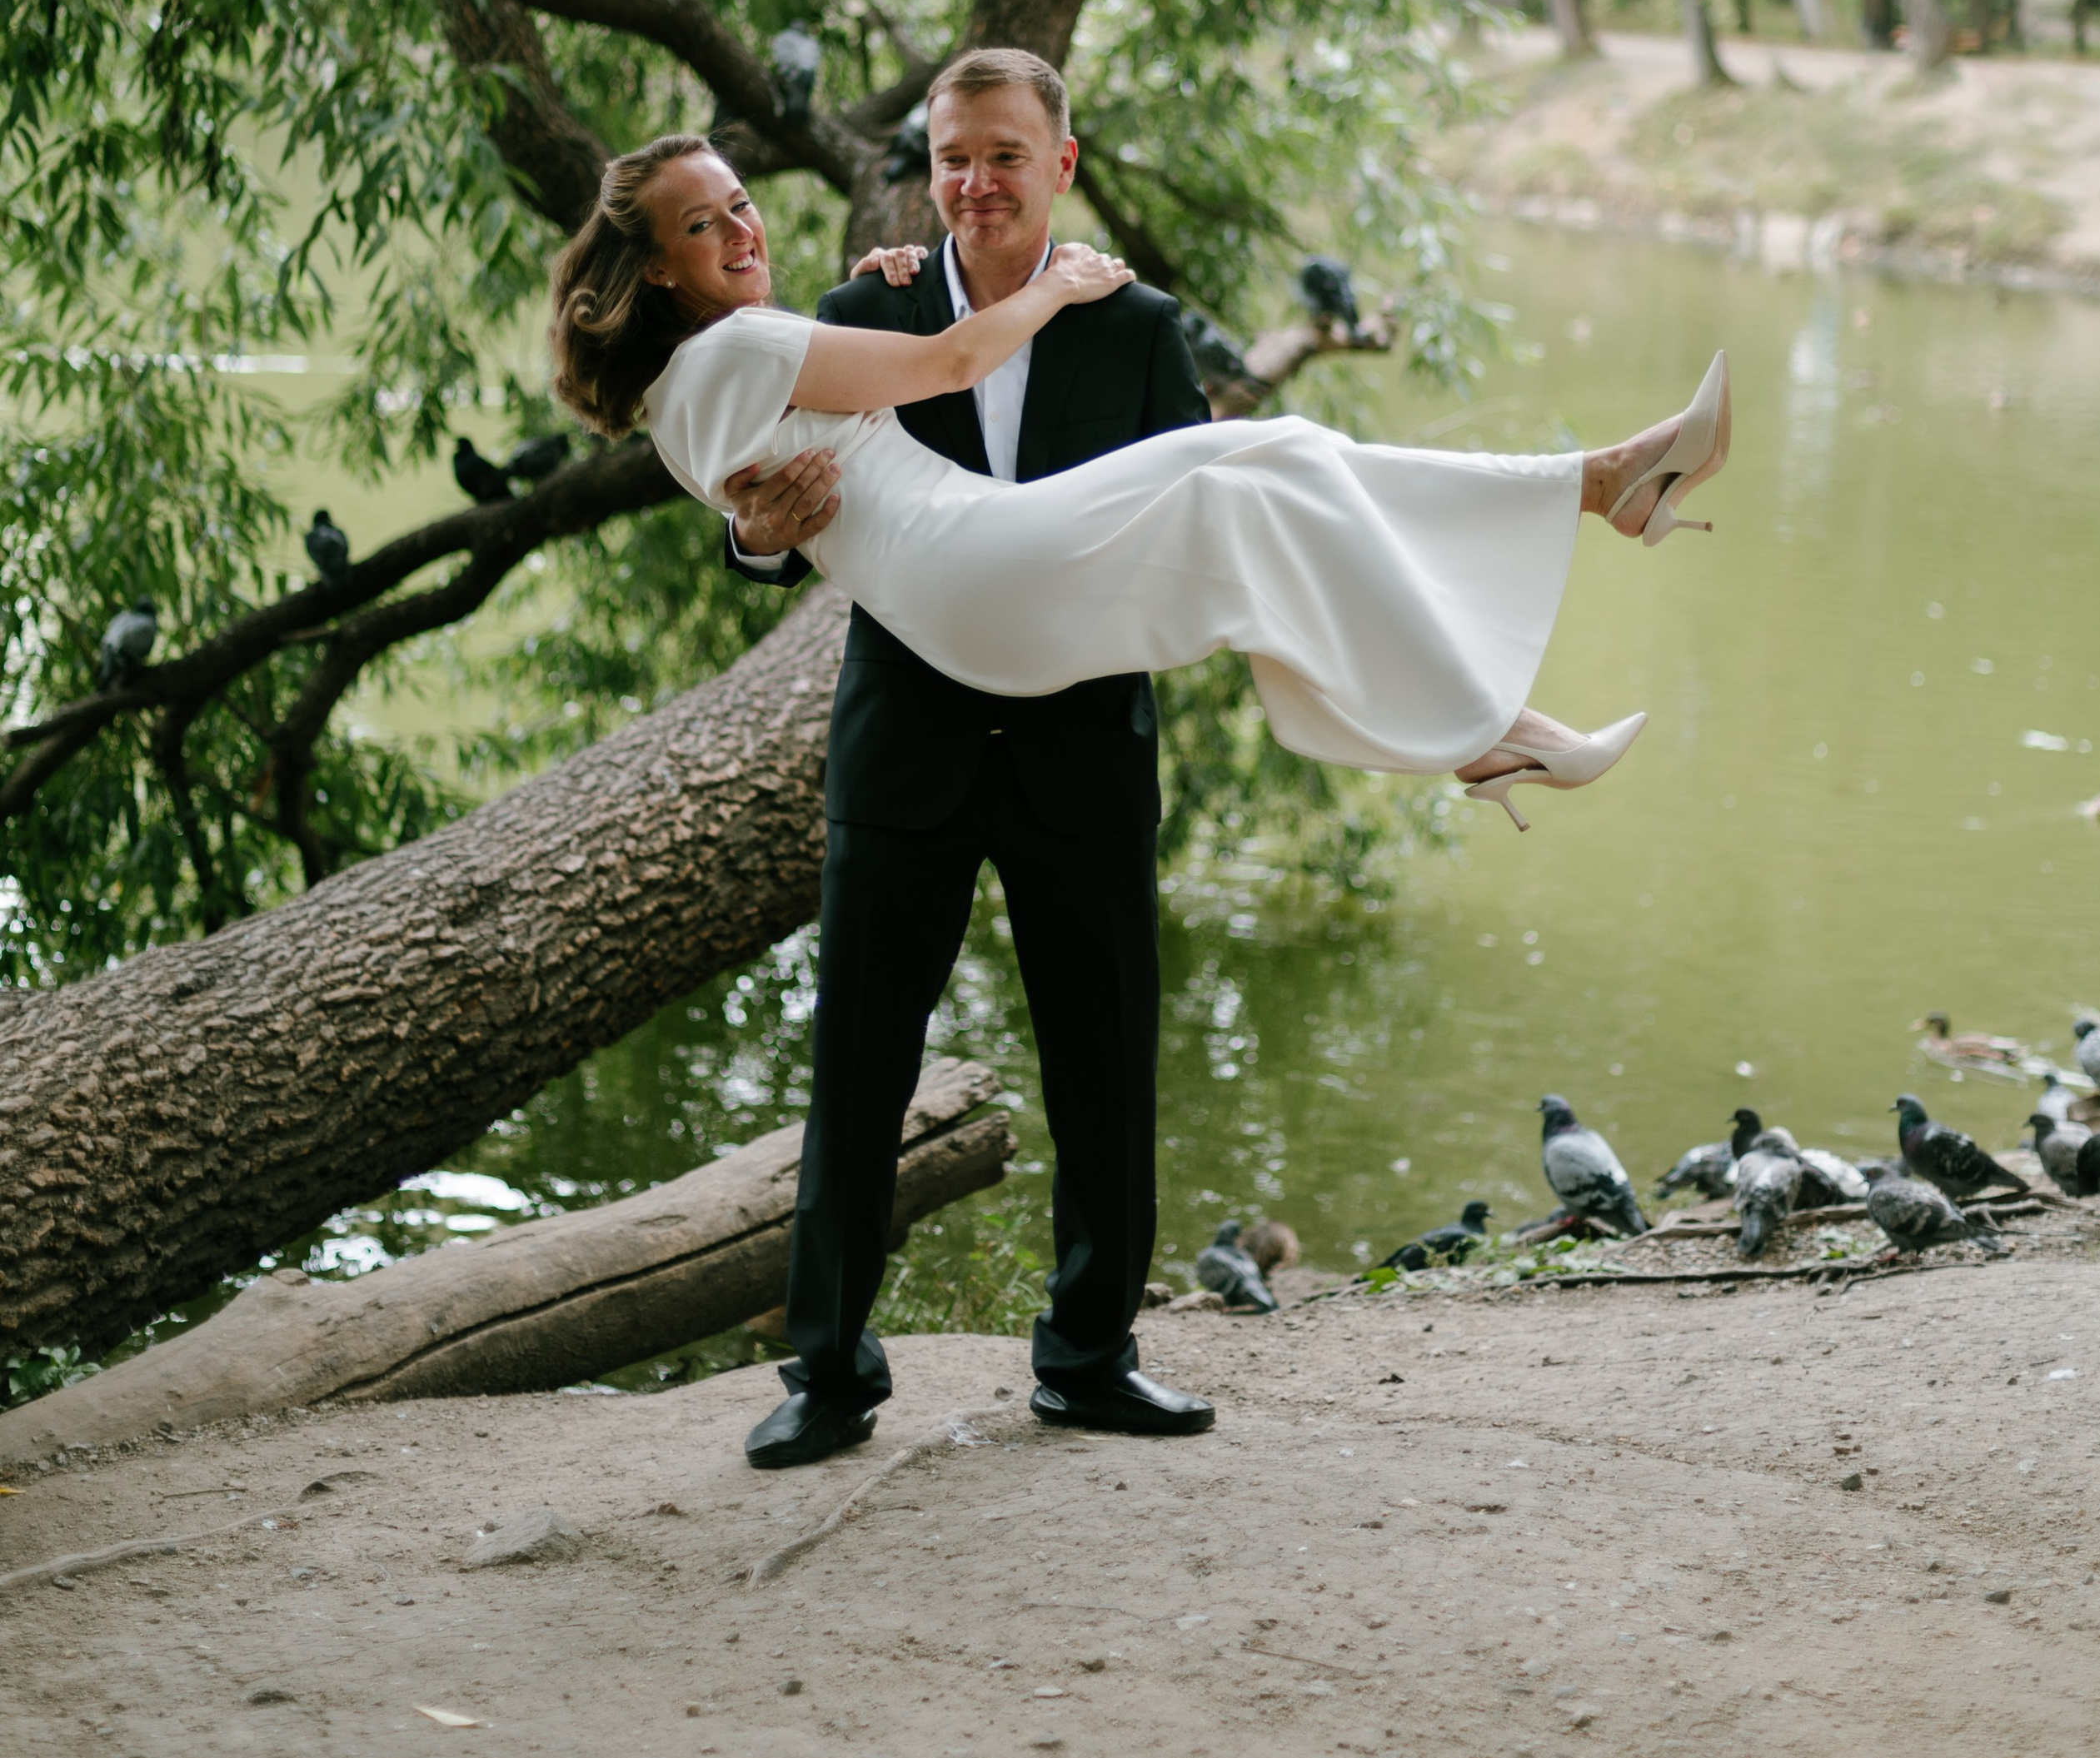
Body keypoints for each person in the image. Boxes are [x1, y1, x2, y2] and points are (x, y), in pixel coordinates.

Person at [548, 77, 1730, 1462]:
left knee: (1109, 1054)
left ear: (1059, 164)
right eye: (706, 222)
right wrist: (761, 530)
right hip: (925, 707)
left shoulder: (1137, 323)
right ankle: (827, 1376)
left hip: (1069, 715)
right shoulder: (854, 310)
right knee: (860, 1071)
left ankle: (1093, 1356)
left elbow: (1222, 556)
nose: (974, 182)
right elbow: (800, 483)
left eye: (1003, 158)